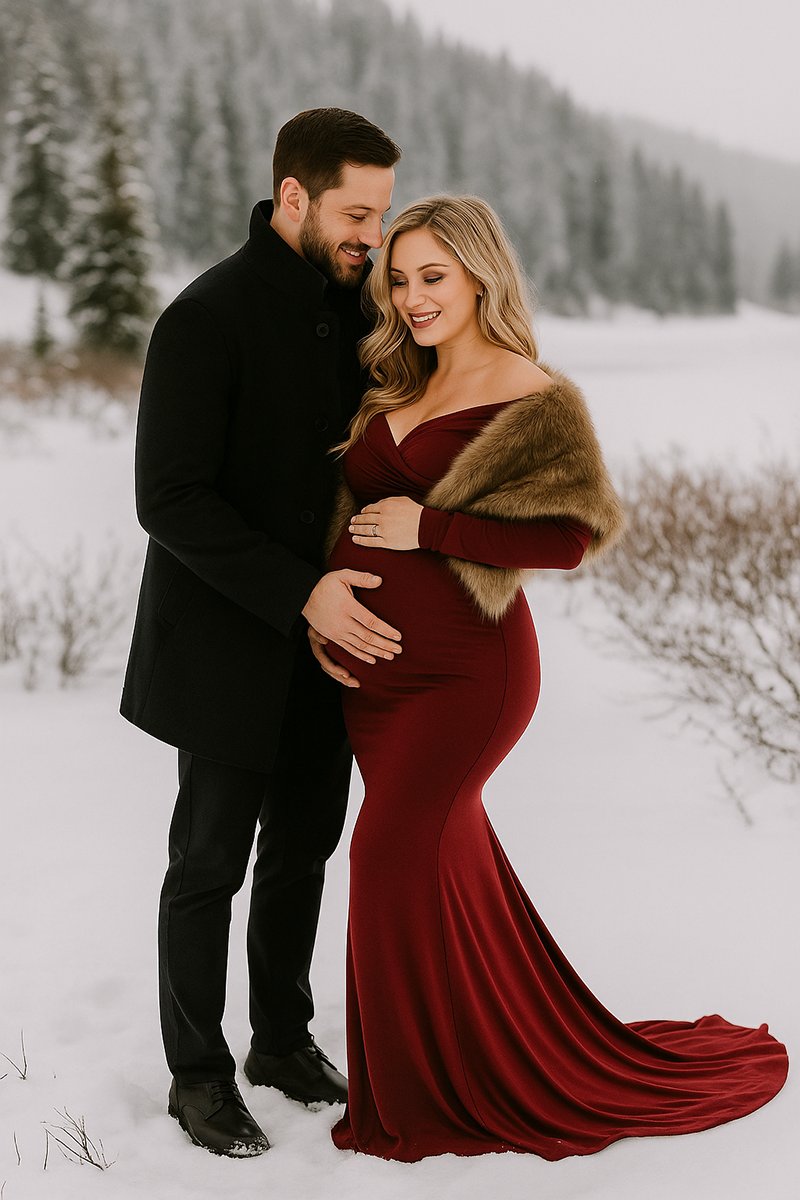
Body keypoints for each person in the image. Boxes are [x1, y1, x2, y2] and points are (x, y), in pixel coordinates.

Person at [310, 195, 789, 1161]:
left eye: (432, 277)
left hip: (467, 675)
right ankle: (475, 1052)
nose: (411, 299)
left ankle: (425, 1097)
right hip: (376, 677)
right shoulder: (396, 386)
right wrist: (323, 594)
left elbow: (572, 538)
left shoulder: (534, 396)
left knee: (386, 853)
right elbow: (346, 502)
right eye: (399, 281)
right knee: (441, 862)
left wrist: (430, 526)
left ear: (482, 276)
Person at [120, 108, 402, 1158]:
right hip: (225, 641)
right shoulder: (205, 316)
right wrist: (299, 593)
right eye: (355, 213)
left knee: (305, 848)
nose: (370, 235)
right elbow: (169, 497)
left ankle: (280, 1039)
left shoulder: (362, 307)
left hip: (328, 648)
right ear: (294, 196)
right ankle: (196, 1077)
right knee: (207, 861)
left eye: (381, 213)